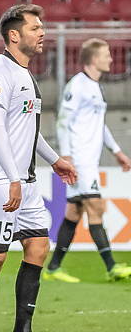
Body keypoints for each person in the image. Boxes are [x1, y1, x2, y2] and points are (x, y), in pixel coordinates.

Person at [0, 4, 77, 332]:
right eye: (35, 27)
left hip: (23, 181)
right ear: (14, 35)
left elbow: (27, 130)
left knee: (38, 246)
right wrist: (13, 177)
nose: (42, 32)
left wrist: (55, 159)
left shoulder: (25, 74)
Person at [44, 38, 131, 283]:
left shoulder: (94, 87)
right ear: (94, 59)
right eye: (106, 55)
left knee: (74, 211)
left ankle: (53, 268)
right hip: (80, 160)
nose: (111, 59)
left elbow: (99, 126)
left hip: (87, 161)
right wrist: (67, 156)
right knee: (96, 207)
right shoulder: (78, 86)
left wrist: (117, 151)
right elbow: (63, 122)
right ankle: (112, 267)